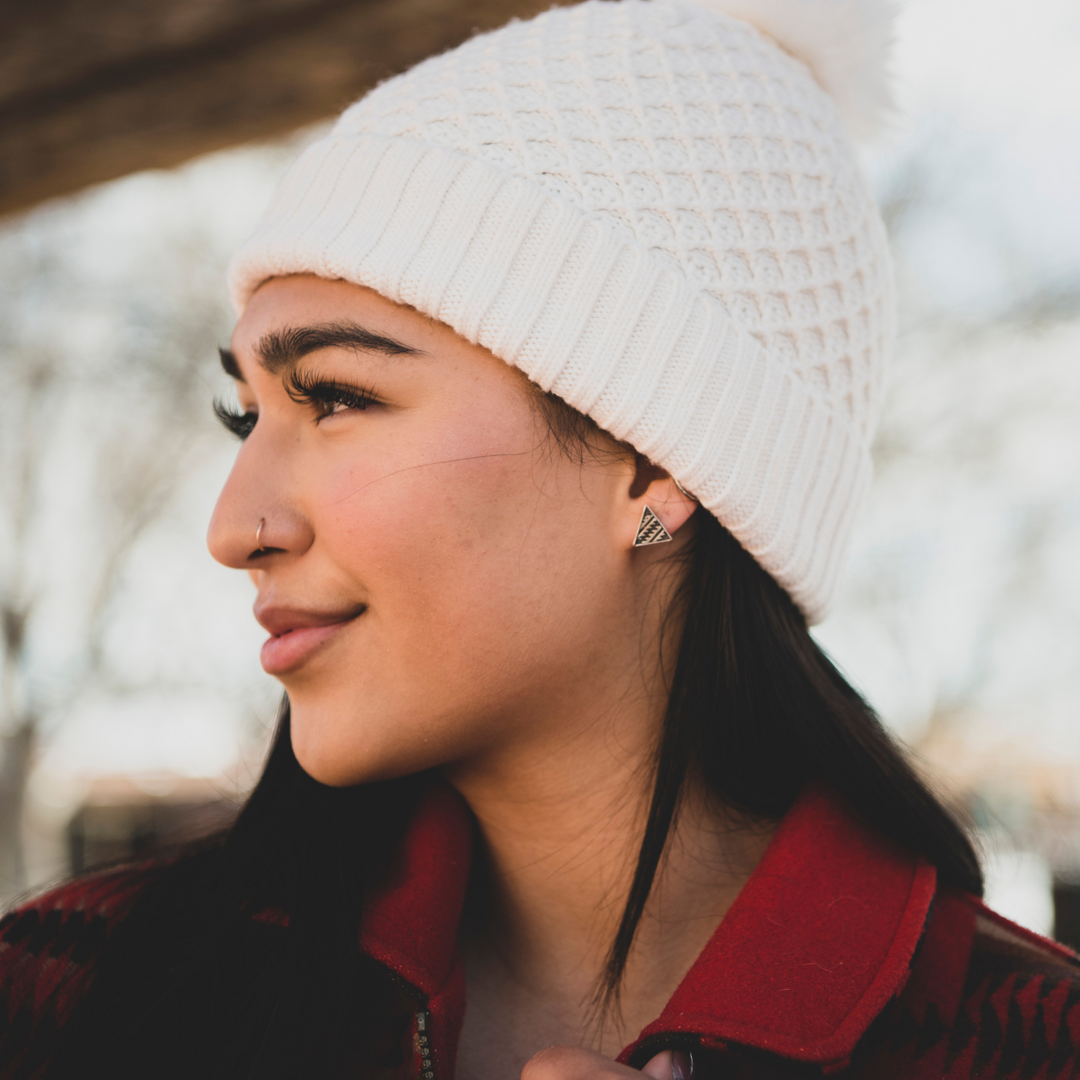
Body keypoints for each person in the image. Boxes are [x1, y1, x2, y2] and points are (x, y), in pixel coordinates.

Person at [2, 0, 1079, 1077]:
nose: (234, 529)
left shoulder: (1029, 1048)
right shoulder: (64, 998)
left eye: (335, 398)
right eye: (248, 417)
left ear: (655, 472)